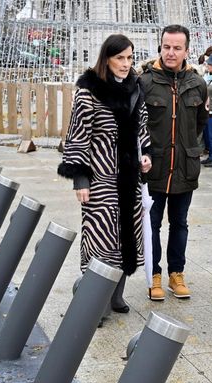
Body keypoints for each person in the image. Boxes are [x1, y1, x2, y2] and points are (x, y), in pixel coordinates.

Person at [57, 34, 152, 313]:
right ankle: (91, 304)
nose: (126, 64)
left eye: (130, 58)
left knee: (127, 237)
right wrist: (80, 179)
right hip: (100, 178)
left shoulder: (135, 88)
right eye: (120, 58)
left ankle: (115, 296)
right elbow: (77, 137)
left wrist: (145, 154)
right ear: (106, 59)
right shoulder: (89, 90)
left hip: (130, 178)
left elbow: (142, 127)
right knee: (100, 239)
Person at [140, 25, 208, 300]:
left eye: (177, 48)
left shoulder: (197, 83)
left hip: (184, 168)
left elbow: (199, 124)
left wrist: (186, 148)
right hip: (154, 167)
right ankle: (153, 275)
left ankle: (176, 274)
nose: (171, 52)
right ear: (160, 47)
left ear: (186, 50)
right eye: (166, 47)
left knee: (180, 223)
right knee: (152, 223)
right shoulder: (145, 82)